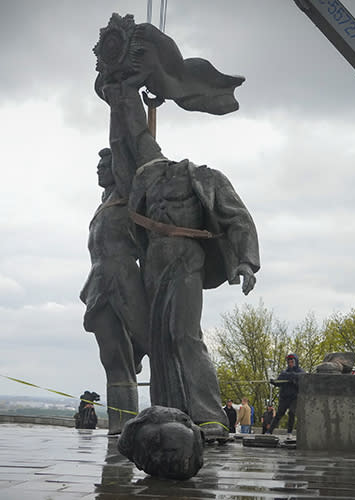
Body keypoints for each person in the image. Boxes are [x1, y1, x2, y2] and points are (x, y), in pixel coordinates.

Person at [98, 75, 259, 442]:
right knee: (160, 341)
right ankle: (169, 411)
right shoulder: (146, 176)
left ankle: (209, 416)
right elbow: (129, 134)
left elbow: (238, 217)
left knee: (185, 335)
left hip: (186, 257)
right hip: (154, 260)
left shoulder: (203, 177)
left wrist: (246, 262)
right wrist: (119, 94)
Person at [80, 147, 150, 435]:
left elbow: (127, 142)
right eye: (98, 164)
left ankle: (174, 412)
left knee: (153, 343)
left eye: (105, 164)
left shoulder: (128, 193)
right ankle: (122, 424)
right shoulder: (106, 202)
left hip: (123, 277)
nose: (98, 169)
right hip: (99, 278)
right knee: (112, 356)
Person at [269, 354, 305, 438]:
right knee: (279, 414)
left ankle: (289, 432)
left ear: (296, 362)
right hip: (284, 397)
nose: (290, 364)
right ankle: (269, 431)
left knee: (292, 413)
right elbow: (279, 382)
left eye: (292, 362)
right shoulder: (284, 373)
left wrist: (295, 381)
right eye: (289, 362)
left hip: (294, 398)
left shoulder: (300, 372)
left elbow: (304, 383)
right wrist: (274, 382)